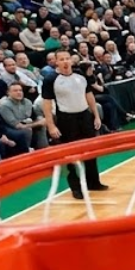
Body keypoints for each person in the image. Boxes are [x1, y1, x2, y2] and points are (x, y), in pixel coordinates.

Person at [41, 49, 105, 199]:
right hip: (66, 119)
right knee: (71, 154)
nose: (65, 62)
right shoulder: (51, 79)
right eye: (61, 59)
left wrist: (96, 115)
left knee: (91, 151)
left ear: (71, 60)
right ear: (56, 62)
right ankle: (76, 187)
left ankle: (93, 182)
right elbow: (47, 104)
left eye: (67, 58)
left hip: (84, 115)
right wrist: (51, 125)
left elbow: (89, 95)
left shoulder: (80, 75)